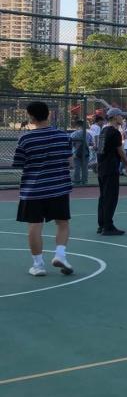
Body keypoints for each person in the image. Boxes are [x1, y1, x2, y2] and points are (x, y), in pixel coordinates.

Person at [12, 101, 75, 277]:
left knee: (35, 225)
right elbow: (70, 162)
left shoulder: (25, 139)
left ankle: (38, 265)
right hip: (58, 187)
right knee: (62, 223)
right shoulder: (63, 136)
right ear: (48, 114)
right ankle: (60, 255)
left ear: (30, 116)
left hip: (33, 190)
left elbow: (19, 163)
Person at [96, 109, 127, 235]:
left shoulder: (104, 131)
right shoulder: (115, 132)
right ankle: (108, 226)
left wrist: (99, 164)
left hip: (102, 168)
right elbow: (120, 151)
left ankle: (101, 224)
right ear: (115, 117)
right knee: (111, 198)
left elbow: (100, 150)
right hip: (111, 168)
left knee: (103, 197)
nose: (122, 118)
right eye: (121, 116)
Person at [69, 120, 89, 185]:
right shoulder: (87, 133)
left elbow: (71, 144)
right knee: (85, 168)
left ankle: (76, 181)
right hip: (86, 152)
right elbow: (90, 142)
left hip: (76, 153)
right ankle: (84, 180)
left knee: (76, 168)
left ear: (77, 126)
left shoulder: (74, 134)